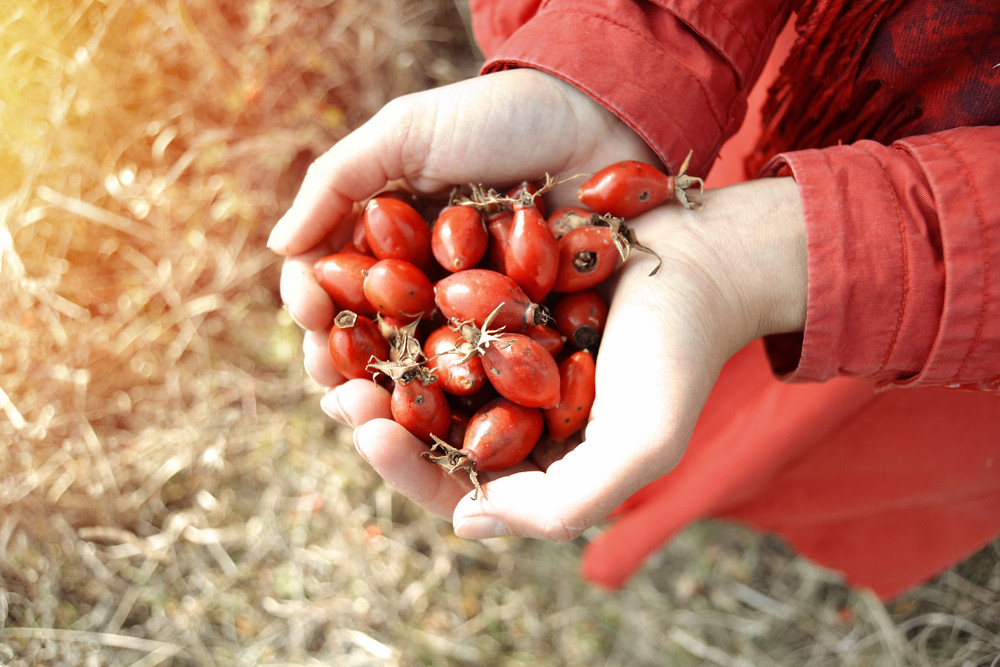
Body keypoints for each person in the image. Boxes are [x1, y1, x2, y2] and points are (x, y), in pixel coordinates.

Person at [268, 0, 1000, 599]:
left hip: (940, 291)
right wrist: (617, 65)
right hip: (764, 63)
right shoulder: (517, 303)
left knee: (795, 436)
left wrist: (798, 259)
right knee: (698, 411)